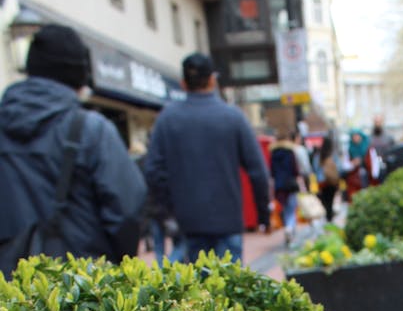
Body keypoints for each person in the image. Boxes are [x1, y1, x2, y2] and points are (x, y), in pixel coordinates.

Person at [0, 24, 146, 264]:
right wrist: (120, 263)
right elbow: (126, 210)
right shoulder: (92, 130)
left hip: (9, 286)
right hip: (81, 285)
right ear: (78, 76)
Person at [145, 52, 270, 265]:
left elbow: (153, 171)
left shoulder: (168, 119)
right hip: (227, 221)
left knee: (192, 292)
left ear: (184, 83)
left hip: (188, 223)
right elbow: (258, 171)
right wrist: (263, 216)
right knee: (230, 290)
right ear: (213, 80)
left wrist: (168, 212)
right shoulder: (233, 117)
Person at [269, 130, 302, 245]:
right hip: (290, 184)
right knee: (292, 209)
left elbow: (272, 172)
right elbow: (295, 170)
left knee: (284, 209)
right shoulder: (290, 152)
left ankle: (288, 227)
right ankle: (289, 228)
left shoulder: (273, 153)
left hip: (279, 186)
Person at [317, 136, 340, 221]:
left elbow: (316, 169)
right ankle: (329, 216)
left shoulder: (319, 155)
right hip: (332, 181)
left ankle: (328, 215)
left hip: (322, 182)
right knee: (330, 200)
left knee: (325, 200)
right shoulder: (333, 155)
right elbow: (339, 167)